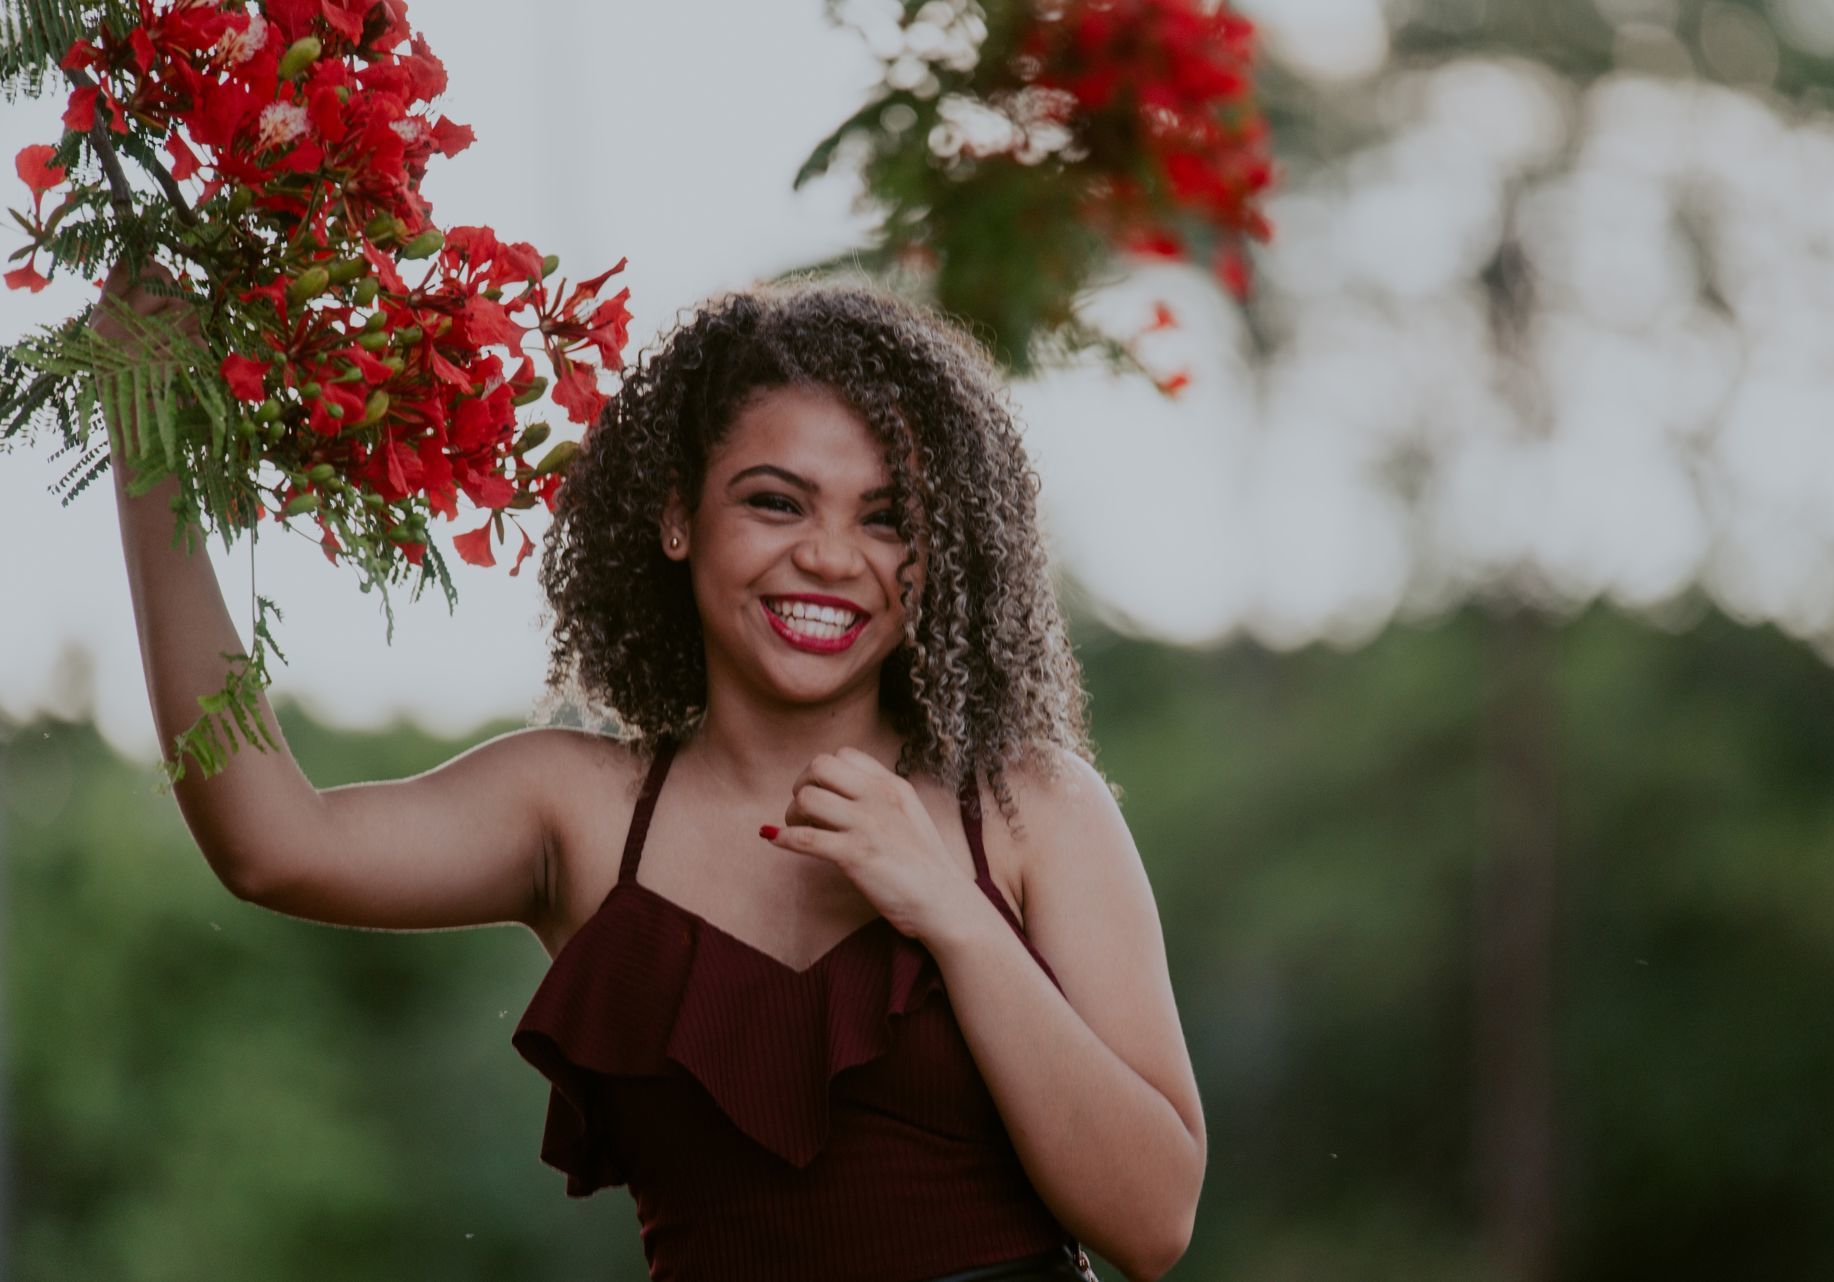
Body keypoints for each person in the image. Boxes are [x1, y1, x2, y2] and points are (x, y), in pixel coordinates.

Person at [101, 261, 1206, 1282]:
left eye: (886, 520)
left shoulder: (1026, 805)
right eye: (775, 502)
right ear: (679, 516)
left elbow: (1153, 1223)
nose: (830, 556)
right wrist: (151, 444)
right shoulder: (578, 814)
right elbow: (273, 843)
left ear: (937, 555)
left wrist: (953, 915)